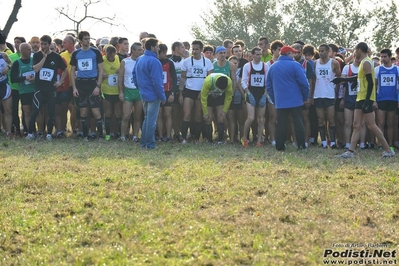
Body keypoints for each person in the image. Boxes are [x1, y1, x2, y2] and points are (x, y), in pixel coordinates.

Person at [339, 42, 395, 158]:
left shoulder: (366, 63)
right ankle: (350, 152)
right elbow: (360, 78)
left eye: (356, 50)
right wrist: (342, 80)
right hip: (360, 97)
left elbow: (370, 83)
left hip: (365, 98)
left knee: (372, 125)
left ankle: (388, 150)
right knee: (356, 125)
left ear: (359, 50)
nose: (355, 52)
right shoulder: (363, 62)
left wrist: (368, 100)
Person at [267, 46, 310, 151]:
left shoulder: (273, 67)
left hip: (280, 100)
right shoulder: (296, 65)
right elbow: (304, 83)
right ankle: (301, 145)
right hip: (295, 99)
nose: (294, 55)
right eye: (292, 53)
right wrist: (305, 97)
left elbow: (268, 86)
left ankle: (280, 146)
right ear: (288, 54)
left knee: (281, 123)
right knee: (298, 123)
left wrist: (274, 98)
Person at [26, 35, 67, 140]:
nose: (43, 46)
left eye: (45, 44)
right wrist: (44, 58)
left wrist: (60, 82)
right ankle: (30, 133)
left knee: (51, 112)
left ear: (49, 44)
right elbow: (35, 69)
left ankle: (49, 133)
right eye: (41, 44)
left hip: (51, 89)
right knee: (35, 111)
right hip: (39, 89)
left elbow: (65, 70)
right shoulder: (37, 55)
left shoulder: (56, 56)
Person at [70, 31, 104, 141]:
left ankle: (101, 135)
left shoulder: (95, 52)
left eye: (89, 38)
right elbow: (72, 71)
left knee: (96, 111)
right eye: (85, 39)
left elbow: (101, 69)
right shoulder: (76, 53)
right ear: (80, 41)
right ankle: (85, 135)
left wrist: (98, 86)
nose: (88, 41)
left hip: (92, 83)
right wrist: (74, 88)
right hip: (81, 83)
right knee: (83, 111)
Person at [132, 38, 166, 149]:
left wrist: (140, 88)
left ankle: (144, 143)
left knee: (147, 119)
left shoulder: (140, 59)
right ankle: (150, 144)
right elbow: (157, 82)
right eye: (157, 46)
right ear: (152, 47)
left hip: (144, 94)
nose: (158, 48)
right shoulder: (155, 61)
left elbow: (134, 75)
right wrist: (162, 96)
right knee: (151, 121)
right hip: (154, 95)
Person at [179, 40, 213, 144]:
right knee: (187, 114)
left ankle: (196, 138)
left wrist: (204, 92)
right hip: (189, 91)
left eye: (197, 49)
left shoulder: (207, 62)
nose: (194, 51)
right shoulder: (186, 61)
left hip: (201, 91)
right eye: (193, 49)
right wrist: (180, 93)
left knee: (199, 115)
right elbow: (183, 78)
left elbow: (210, 79)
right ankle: (183, 137)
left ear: (201, 50)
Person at [310, 44, 341, 148]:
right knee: (320, 119)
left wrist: (335, 91)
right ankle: (323, 141)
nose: (321, 52)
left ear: (328, 52)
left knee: (331, 118)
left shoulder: (334, 63)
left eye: (323, 51)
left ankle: (332, 141)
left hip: (329, 94)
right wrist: (312, 95)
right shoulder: (315, 63)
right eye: (319, 50)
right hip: (318, 94)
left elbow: (339, 77)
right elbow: (313, 80)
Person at [240, 47, 268, 147]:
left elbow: (268, 81)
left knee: (261, 119)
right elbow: (243, 81)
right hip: (251, 92)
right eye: (257, 54)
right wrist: (247, 92)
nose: (259, 56)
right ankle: (244, 138)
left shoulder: (265, 66)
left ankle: (259, 140)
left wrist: (265, 94)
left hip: (261, 93)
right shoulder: (247, 66)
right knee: (251, 117)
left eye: (260, 54)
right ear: (252, 55)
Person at [374, 48, 399, 148]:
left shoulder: (397, 69)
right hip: (381, 99)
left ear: (389, 57)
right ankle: (381, 144)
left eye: (385, 56)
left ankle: (391, 144)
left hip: (392, 99)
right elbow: (374, 86)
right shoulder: (378, 69)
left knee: (391, 123)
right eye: (381, 57)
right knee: (380, 123)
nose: (382, 58)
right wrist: (374, 100)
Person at [118, 42, 143, 141]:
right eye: (139, 50)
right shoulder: (125, 61)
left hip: (139, 91)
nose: (141, 51)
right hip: (128, 90)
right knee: (126, 115)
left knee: (137, 115)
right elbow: (120, 78)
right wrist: (121, 92)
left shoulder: (142, 61)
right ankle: (123, 136)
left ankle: (135, 135)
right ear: (133, 51)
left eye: (141, 50)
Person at [10, 43, 35, 137]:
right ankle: (30, 132)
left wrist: (34, 79)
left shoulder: (34, 60)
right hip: (24, 91)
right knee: (27, 112)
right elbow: (13, 79)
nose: (30, 51)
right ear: (22, 51)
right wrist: (25, 78)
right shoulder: (17, 63)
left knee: (36, 111)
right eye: (28, 49)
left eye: (30, 49)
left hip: (34, 90)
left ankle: (37, 131)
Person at [201, 73, 233, 144]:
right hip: (209, 98)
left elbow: (228, 97)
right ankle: (209, 140)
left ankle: (220, 140)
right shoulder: (208, 81)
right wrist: (205, 113)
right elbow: (203, 98)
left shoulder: (229, 82)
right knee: (208, 118)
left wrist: (224, 111)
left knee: (221, 117)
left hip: (220, 99)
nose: (220, 90)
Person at [157, 44, 178, 142]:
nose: (165, 54)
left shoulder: (170, 63)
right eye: (163, 53)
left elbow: (174, 79)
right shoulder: (155, 62)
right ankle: (160, 136)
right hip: (157, 92)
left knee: (168, 114)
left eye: (166, 52)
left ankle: (168, 135)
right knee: (159, 115)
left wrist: (172, 93)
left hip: (168, 91)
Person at [101, 45, 121, 140]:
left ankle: (117, 133)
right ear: (105, 53)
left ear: (115, 54)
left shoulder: (118, 58)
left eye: (112, 56)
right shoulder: (102, 59)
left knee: (117, 113)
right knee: (108, 113)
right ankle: (108, 134)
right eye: (109, 56)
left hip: (117, 91)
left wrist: (120, 71)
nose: (110, 58)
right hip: (106, 91)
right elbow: (97, 70)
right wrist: (100, 74)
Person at [0, 50, 13, 136]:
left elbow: (11, 63)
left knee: (8, 110)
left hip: (4, 86)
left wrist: (8, 67)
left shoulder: (3, 55)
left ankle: (8, 132)